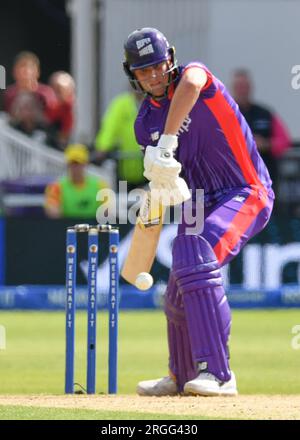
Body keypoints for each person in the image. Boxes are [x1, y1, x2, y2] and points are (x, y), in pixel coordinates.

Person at [123, 28, 274, 396]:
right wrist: (158, 185)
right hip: (199, 201)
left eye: (158, 66)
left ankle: (219, 374)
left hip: (245, 190)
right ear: (133, 75)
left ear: (170, 60)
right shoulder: (144, 123)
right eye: (144, 71)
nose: (154, 75)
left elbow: (191, 82)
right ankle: (182, 375)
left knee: (196, 251)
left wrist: (170, 140)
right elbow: (165, 178)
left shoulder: (195, 77)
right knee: (177, 286)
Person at [231, 69, 291, 191]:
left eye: (245, 86)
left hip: (265, 179)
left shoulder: (265, 113)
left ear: (250, 88)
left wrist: (266, 144)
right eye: (239, 86)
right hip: (235, 179)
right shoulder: (226, 114)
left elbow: (284, 141)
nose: (242, 90)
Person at [94, 90, 145, 191]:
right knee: (123, 200)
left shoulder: (153, 103)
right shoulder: (121, 104)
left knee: (149, 202)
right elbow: (110, 126)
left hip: (148, 167)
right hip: (124, 166)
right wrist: (103, 146)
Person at [44, 144, 109, 218]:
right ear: (68, 165)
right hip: (67, 227)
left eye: (78, 163)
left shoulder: (100, 185)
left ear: (85, 164)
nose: (75, 167)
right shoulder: (56, 186)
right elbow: (52, 210)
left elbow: (108, 211)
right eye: (72, 163)